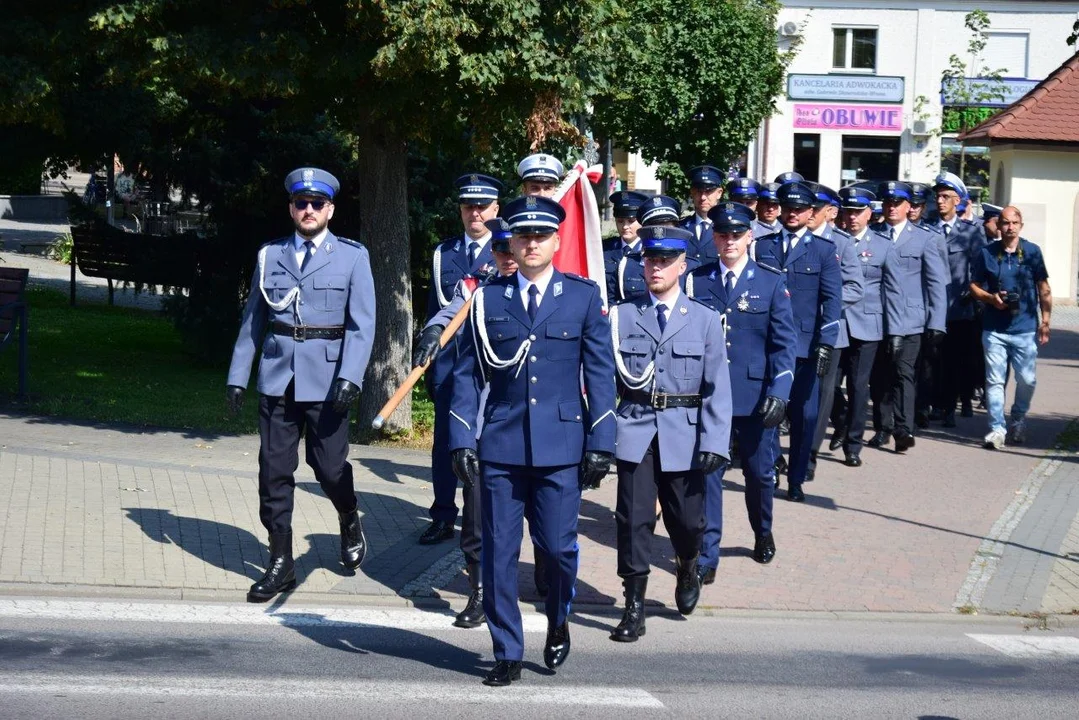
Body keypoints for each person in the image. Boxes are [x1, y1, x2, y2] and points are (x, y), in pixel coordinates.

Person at [449, 195, 616, 687]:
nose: (531, 243)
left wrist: (601, 441)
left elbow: (601, 375)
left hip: (562, 448)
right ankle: (507, 649)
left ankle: (559, 617)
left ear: (556, 241)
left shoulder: (582, 298)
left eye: (540, 235)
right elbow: (467, 376)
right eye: (523, 236)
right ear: (512, 243)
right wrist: (462, 438)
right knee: (500, 551)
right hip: (499, 445)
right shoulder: (487, 299)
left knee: (559, 551)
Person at [226, 167, 375, 602]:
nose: (307, 210)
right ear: (291, 207)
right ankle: (281, 562)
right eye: (300, 203)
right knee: (273, 472)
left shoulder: (351, 256)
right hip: (278, 377)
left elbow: (362, 325)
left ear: (330, 209)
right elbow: (254, 318)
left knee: (328, 469)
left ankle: (349, 515)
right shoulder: (270, 255)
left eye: (316, 204)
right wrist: (238, 376)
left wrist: (351, 376)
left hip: (329, 380)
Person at [608, 225, 732, 642]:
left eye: (664, 260)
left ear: (682, 265)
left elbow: (718, 388)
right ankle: (634, 605)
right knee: (633, 519)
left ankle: (688, 561)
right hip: (636, 428)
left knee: (686, 520)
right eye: (649, 259)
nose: (655, 266)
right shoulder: (623, 315)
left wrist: (715, 443)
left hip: (685, 432)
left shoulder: (704, 319)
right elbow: (606, 380)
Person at [413, 218, 517, 630]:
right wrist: (432, 332)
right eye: (500, 250)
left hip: (530, 424)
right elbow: (450, 312)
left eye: (515, 248)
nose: (507, 257)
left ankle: (546, 573)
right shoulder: (477, 289)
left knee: (541, 527)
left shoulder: (556, 294)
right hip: (484, 421)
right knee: (475, 515)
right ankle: (478, 589)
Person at [686, 202, 796, 577]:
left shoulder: (770, 281)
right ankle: (707, 555)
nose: (729, 240)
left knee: (759, 473)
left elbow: (784, 345)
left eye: (736, 234)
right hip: (709, 396)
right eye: (722, 234)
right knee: (708, 473)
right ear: (714, 237)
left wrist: (779, 393)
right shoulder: (696, 280)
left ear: (750, 236)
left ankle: (762, 531)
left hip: (754, 398)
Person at [418, 174, 502, 548]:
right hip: (451, 364)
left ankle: (478, 519)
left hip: (491, 363)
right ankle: (441, 514)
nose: (475, 213)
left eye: (482, 206)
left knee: (482, 442)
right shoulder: (443, 253)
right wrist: (429, 359)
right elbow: (437, 308)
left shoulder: (507, 248)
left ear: (496, 209)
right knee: (444, 443)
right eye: (469, 206)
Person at [753, 181, 841, 502]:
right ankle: (774, 460)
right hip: (768, 343)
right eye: (787, 208)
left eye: (799, 209)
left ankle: (797, 476)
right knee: (769, 408)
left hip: (806, 347)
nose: (792, 213)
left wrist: (826, 344)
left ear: (810, 214)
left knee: (805, 415)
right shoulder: (763, 246)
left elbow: (832, 302)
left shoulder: (824, 250)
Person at [866, 181, 947, 453]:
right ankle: (882, 427)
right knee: (879, 377)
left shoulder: (926, 238)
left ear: (908, 206)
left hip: (911, 319)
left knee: (903, 373)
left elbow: (936, 283)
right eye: (887, 202)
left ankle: (903, 428)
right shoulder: (873, 234)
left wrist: (937, 321)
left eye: (897, 203)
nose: (891, 207)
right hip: (876, 317)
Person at [969, 206, 1052, 449]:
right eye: (1005, 223)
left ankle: (1018, 418)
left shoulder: (1033, 252)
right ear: (999, 226)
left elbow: (1044, 288)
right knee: (994, 380)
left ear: (1021, 225)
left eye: (1014, 222)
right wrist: (991, 298)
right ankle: (997, 429)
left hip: (1025, 328)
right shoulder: (986, 253)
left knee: (1027, 379)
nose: (1010, 227)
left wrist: (1045, 321)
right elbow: (974, 286)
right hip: (994, 329)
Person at [805, 183, 864, 480]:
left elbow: (856, 286)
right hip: (793, 331)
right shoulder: (792, 240)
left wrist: (826, 304)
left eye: (815, 209)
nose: (809, 214)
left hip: (829, 332)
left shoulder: (842, 244)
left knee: (823, 394)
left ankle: (809, 456)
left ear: (830, 212)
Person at [836, 187, 895, 467]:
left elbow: (892, 290)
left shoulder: (883, 245)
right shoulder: (831, 241)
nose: (852, 217)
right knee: (829, 386)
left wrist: (893, 328)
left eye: (858, 212)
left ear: (870, 213)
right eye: (848, 211)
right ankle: (841, 420)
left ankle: (853, 444)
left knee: (859, 386)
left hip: (868, 324)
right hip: (836, 323)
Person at [928, 172, 987, 427]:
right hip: (930, 308)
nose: (940, 201)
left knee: (954, 361)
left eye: (945, 196)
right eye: (937, 196)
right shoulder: (926, 229)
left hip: (958, 309)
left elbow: (981, 269)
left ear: (957, 201)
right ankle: (932, 404)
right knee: (930, 361)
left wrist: (972, 294)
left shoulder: (971, 233)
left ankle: (948, 407)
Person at [604, 190, 649, 303]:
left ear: (641, 221)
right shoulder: (605, 248)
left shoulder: (649, 250)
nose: (625, 226)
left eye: (631, 221)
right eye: (620, 221)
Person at [680, 165, 723, 267]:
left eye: (708, 191)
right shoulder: (680, 228)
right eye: (699, 191)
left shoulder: (726, 229)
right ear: (692, 192)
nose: (703, 197)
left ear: (719, 193)